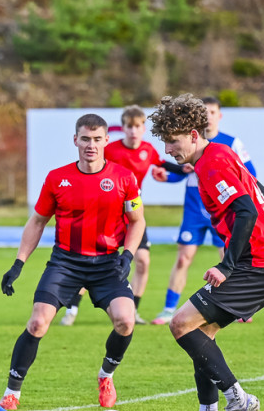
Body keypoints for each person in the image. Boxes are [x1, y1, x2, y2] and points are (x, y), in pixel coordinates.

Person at [148, 94, 264, 411]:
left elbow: (247, 211)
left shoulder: (213, 164)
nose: (168, 149)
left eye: (174, 141)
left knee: (181, 324)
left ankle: (238, 400)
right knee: (201, 332)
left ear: (194, 135)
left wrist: (227, 265)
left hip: (255, 265)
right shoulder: (220, 155)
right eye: (165, 141)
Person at [0, 113, 144, 411]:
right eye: (85, 139)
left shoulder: (124, 178)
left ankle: (106, 375)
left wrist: (127, 255)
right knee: (38, 323)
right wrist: (18, 263)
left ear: (106, 141)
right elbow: (38, 221)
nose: (91, 145)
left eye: (97, 139)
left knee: (126, 321)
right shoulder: (57, 178)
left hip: (107, 264)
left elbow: (137, 221)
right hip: (65, 262)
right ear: (75, 140)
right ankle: (12, 392)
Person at [59, 106, 179, 327]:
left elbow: (165, 165)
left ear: (143, 128)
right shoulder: (111, 150)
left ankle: (132, 311)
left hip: (133, 212)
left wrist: (188, 167)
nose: (134, 131)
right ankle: (72, 307)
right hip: (108, 214)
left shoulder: (147, 149)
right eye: (129, 126)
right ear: (122, 128)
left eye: (138, 126)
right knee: (92, 260)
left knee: (143, 261)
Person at [149, 96, 258, 325]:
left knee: (227, 256)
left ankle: (238, 306)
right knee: (183, 258)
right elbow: (185, 172)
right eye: (204, 111)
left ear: (219, 115)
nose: (208, 115)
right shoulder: (187, 142)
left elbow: (250, 175)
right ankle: (169, 308)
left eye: (212, 111)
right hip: (195, 206)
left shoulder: (229, 144)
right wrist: (167, 177)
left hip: (223, 207)